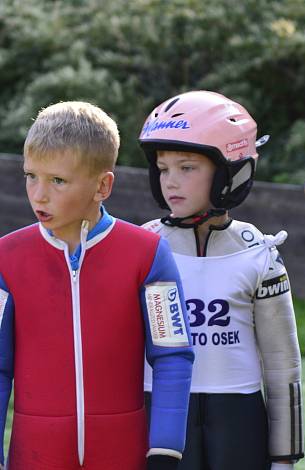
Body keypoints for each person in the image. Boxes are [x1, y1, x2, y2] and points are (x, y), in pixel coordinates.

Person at [0, 102, 194, 470]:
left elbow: (172, 355)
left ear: (102, 185)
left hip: (124, 454)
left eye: (57, 180)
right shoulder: (5, 258)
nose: (38, 194)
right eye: (30, 176)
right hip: (35, 455)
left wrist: (165, 448)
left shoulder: (149, 254)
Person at [138, 91, 304, 470]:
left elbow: (283, 369)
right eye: (163, 169)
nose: (171, 182)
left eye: (187, 168)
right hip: (159, 417)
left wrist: (284, 459)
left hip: (238, 423)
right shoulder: (141, 249)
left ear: (230, 171)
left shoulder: (260, 254)